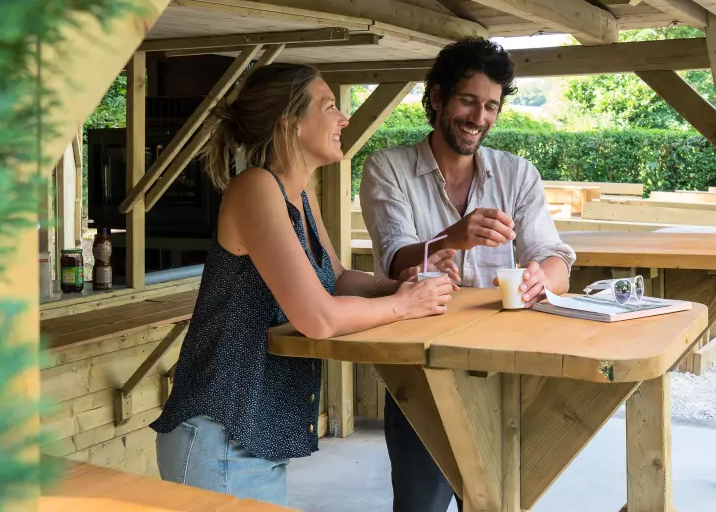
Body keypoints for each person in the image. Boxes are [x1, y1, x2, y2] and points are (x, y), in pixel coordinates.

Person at [151, 63, 460, 506]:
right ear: (289, 123)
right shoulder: (256, 189)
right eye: (330, 106)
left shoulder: (298, 193)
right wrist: (404, 306)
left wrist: (397, 286)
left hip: (251, 436)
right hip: (221, 434)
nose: (344, 118)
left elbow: (334, 280)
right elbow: (317, 317)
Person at [360, 37, 576, 512]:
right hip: (420, 367)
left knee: (498, 502)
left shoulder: (517, 175)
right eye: (468, 101)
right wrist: (451, 237)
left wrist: (544, 278)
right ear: (437, 98)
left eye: (491, 106)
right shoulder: (386, 167)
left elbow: (554, 256)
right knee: (420, 505)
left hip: (504, 365)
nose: (480, 118)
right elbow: (396, 259)